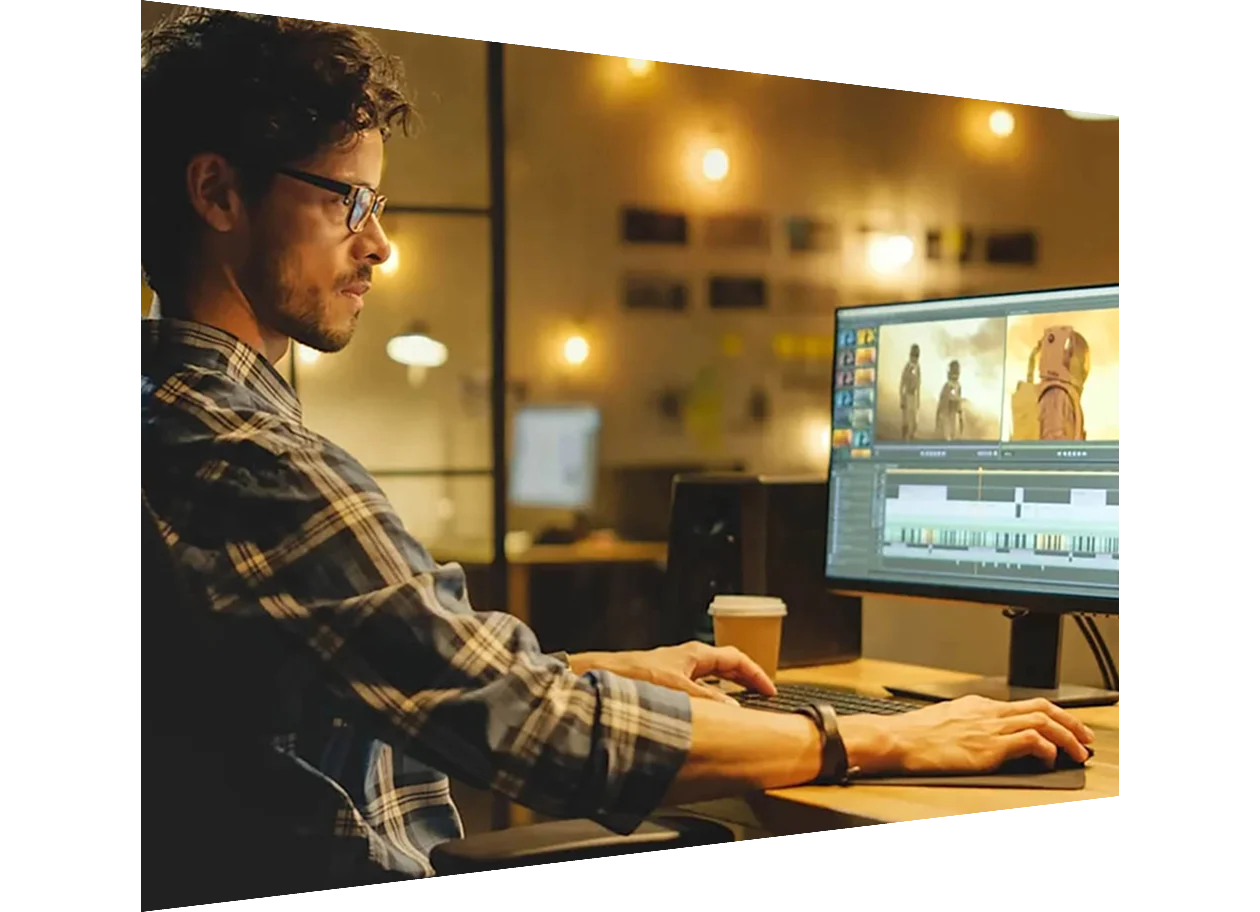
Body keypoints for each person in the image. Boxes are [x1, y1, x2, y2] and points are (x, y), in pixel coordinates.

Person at [135, 9, 1094, 899]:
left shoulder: (173, 414)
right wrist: (875, 740)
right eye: (349, 200)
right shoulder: (239, 454)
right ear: (218, 191)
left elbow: (372, 688)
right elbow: (530, 732)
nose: (379, 243)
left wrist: (599, 670)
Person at [935, 359, 964, 439]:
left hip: (953, 415)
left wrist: (960, 416)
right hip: (946, 414)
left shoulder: (958, 386)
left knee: (953, 435)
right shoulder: (947, 386)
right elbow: (942, 402)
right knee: (947, 437)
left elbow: (958, 401)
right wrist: (938, 416)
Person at [899, 343, 921, 439]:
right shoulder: (907, 367)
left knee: (915, 422)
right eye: (913, 355)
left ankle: (911, 438)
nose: (914, 358)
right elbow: (902, 383)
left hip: (914, 397)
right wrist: (902, 398)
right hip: (907, 395)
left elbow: (918, 384)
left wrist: (918, 399)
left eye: (916, 356)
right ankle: (904, 441)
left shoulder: (918, 367)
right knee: (906, 422)